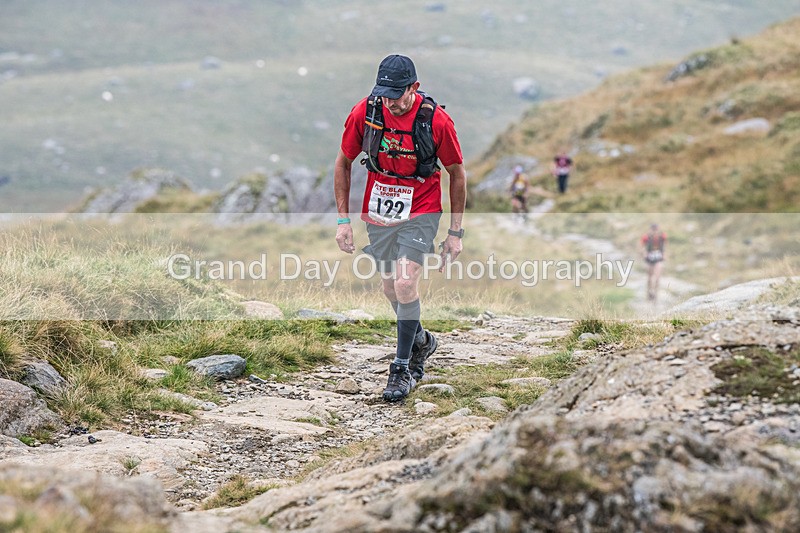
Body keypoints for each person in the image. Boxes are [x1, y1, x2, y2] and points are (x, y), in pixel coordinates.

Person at [333, 54, 467, 402]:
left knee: (406, 283)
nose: (390, 102)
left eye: (397, 95)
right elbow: (343, 162)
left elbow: (457, 173)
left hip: (421, 207)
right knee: (390, 288)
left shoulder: (436, 121)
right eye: (384, 94)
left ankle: (402, 367)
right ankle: (421, 340)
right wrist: (343, 220)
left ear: (414, 88)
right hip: (380, 208)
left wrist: (455, 233)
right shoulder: (366, 112)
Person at [640, 223, 666, 301]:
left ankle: (655, 293)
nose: (655, 231)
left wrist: (664, 255)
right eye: (653, 230)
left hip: (658, 257)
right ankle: (649, 292)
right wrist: (644, 254)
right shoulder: (646, 237)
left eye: (656, 230)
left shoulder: (662, 237)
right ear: (650, 230)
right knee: (650, 277)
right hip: (650, 258)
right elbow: (642, 247)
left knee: (657, 277)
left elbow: (664, 246)